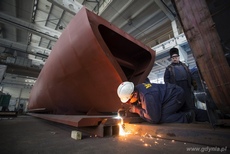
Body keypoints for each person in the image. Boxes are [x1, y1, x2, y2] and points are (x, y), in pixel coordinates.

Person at [117, 81, 204, 124]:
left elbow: (154, 119)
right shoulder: (138, 88)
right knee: (196, 112)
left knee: (161, 117)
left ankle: (187, 117)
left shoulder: (147, 96)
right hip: (171, 94)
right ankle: (210, 115)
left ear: (134, 94)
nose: (128, 103)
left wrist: (137, 110)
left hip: (175, 96)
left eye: (128, 101)